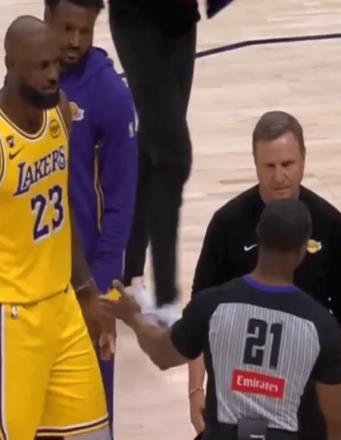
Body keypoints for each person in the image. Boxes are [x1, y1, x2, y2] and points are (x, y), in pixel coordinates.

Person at [102, 198, 341, 440]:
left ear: (259, 240)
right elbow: (340, 422)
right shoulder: (320, 326)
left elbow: (162, 354)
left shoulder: (211, 305)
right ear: (303, 250)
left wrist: (133, 316)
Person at [188, 111, 341, 439]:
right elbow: (200, 309)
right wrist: (196, 389)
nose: (279, 176)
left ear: (303, 160)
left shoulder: (330, 223)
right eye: (269, 166)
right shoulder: (227, 224)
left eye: (287, 164)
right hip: (242, 394)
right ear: (255, 164)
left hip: (311, 392)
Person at [0, 15, 114, 439]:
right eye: (41, 67)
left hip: (62, 307)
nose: (53, 75)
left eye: (54, 64)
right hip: (14, 320)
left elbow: (61, 211)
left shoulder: (60, 114)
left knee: (95, 433)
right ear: (11, 66)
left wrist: (86, 290)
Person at [45, 0, 138, 428]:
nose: (75, 41)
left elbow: (120, 206)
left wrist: (100, 292)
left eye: (85, 30)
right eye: (66, 28)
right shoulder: (25, 80)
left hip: (88, 283)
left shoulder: (110, 96)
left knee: (92, 418)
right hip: (31, 282)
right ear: (47, 16)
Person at [108, 0, 200, 324]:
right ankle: (165, 298)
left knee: (155, 149)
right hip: (136, 20)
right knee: (174, 156)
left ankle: (128, 278)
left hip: (181, 20)